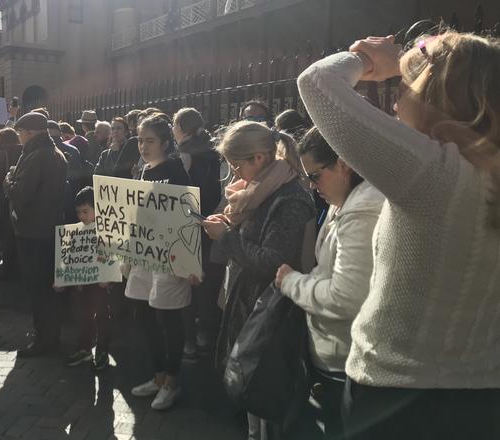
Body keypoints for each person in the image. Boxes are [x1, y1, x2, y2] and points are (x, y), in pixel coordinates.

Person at [296, 32, 500, 439]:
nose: (394, 96)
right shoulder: (479, 173)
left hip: (396, 395)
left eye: (406, 84)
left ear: (434, 91)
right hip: (483, 394)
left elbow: (316, 83)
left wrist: (376, 61)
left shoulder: (435, 173)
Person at [203, 121, 315, 439]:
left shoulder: (289, 197)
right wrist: (229, 226)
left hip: (269, 313)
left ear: (259, 159)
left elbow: (272, 261)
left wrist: (226, 237)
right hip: (249, 303)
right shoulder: (258, 189)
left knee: (265, 393)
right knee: (251, 392)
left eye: (236, 165)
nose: (233, 174)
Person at [271, 127, 384, 439]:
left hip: (343, 356)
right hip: (333, 350)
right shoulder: (345, 198)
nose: (310, 185)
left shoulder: (362, 210)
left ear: (343, 164)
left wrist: (291, 282)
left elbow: (345, 297)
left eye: (316, 175)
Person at [126, 115, 197, 411]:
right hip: (144, 255)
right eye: (140, 140)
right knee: (143, 315)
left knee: (168, 319)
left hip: (169, 259)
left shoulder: (176, 171)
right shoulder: (143, 170)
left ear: (165, 143)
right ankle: (157, 377)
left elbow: (189, 214)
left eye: (149, 141)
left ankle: (173, 381)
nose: (143, 146)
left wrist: (190, 262)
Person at [3, 112, 68, 357]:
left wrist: (7, 181)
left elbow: (21, 193)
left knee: (38, 287)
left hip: (33, 230)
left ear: (29, 132)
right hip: (45, 227)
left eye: (20, 132)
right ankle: (48, 334)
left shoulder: (37, 155)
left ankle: (45, 339)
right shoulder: (54, 153)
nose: (19, 137)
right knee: (44, 287)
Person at [171, 107, 223, 359]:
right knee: (207, 281)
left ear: (181, 128)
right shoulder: (214, 151)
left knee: (189, 281)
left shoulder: (184, 153)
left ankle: (189, 338)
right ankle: (207, 333)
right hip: (211, 220)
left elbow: (182, 191)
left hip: (189, 223)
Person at [63, 186, 113, 371]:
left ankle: (102, 351)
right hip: (83, 284)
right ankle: (84, 348)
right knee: (83, 316)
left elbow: (111, 257)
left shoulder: (106, 231)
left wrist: (107, 278)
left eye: (86, 211)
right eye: (78, 212)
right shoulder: (76, 231)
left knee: (102, 316)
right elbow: (70, 257)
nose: (82, 216)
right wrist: (65, 279)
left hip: (100, 285)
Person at [0, 128, 23, 281]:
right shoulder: (24, 150)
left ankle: (8, 267)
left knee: (7, 234)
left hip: (5, 198)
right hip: (21, 196)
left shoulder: (2, 153)